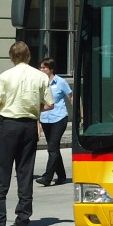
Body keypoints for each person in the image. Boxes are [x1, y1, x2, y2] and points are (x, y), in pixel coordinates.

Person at [0, 41, 52, 226]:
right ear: (29, 56)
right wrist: (32, 107)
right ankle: (23, 219)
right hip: (29, 125)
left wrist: (9, 106)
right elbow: (49, 104)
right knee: (25, 172)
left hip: (9, 125)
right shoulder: (40, 76)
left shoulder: (4, 76)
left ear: (11, 57)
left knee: (2, 172)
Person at [36, 57, 71, 187]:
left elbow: (72, 98)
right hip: (46, 118)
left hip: (59, 117)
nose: (42, 70)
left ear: (51, 69)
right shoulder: (40, 83)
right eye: (41, 67)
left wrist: (81, 117)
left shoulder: (60, 82)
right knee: (54, 148)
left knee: (52, 147)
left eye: (44, 67)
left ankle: (47, 177)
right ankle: (61, 176)